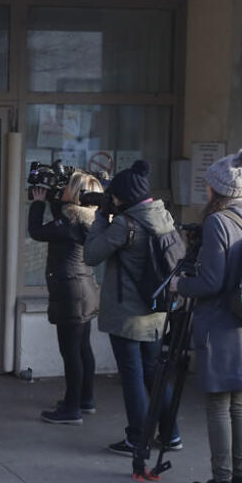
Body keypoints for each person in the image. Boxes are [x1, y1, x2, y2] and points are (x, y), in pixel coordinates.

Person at [173, 148, 242, 483]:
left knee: (217, 403)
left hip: (220, 324)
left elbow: (210, 282)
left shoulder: (218, 223)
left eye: (207, 186)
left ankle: (221, 481)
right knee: (239, 403)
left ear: (217, 188)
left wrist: (179, 285)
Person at [84, 159, 181, 455]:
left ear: (123, 198)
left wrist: (101, 216)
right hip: (156, 310)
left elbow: (91, 254)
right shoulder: (163, 217)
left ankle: (136, 437)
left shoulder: (126, 225)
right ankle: (170, 433)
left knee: (133, 377)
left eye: (114, 196)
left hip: (128, 314)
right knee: (154, 373)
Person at [27, 172, 102, 425]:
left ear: (77, 193)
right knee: (83, 348)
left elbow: (37, 231)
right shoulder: (92, 219)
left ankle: (71, 409)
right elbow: (65, 215)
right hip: (86, 289)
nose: (64, 190)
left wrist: (38, 202)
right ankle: (85, 399)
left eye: (68, 187)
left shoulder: (69, 222)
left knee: (70, 351)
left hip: (70, 293)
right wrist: (53, 199)